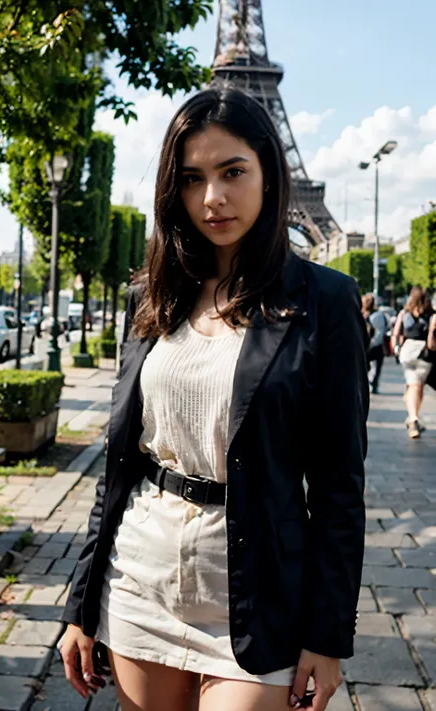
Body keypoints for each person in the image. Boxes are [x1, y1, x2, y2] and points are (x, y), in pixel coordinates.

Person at [59, 87, 369, 711]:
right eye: (193, 178)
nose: (213, 198)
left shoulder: (325, 301)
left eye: (233, 172)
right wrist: (81, 606)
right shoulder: (153, 295)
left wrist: (328, 635)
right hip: (140, 582)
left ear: (270, 173)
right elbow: (120, 465)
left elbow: (339, 486)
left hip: (260, 595)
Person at [392, 286, 436, 439]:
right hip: (425, 354)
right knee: (417, 385)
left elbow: (396, 332)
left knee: (414, 385)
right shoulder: (432, 315)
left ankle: (413, 417)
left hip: (407, 353)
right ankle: (413, 419)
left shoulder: (404, 313)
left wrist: (396, 349)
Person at [361, 294, 387, 394]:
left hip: (365, 346)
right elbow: (380, 333)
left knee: (365, 367)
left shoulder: (361, 314)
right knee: (375, 368)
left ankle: (369, 384)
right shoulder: (378, 315)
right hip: (375, 346)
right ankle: (373, 384)